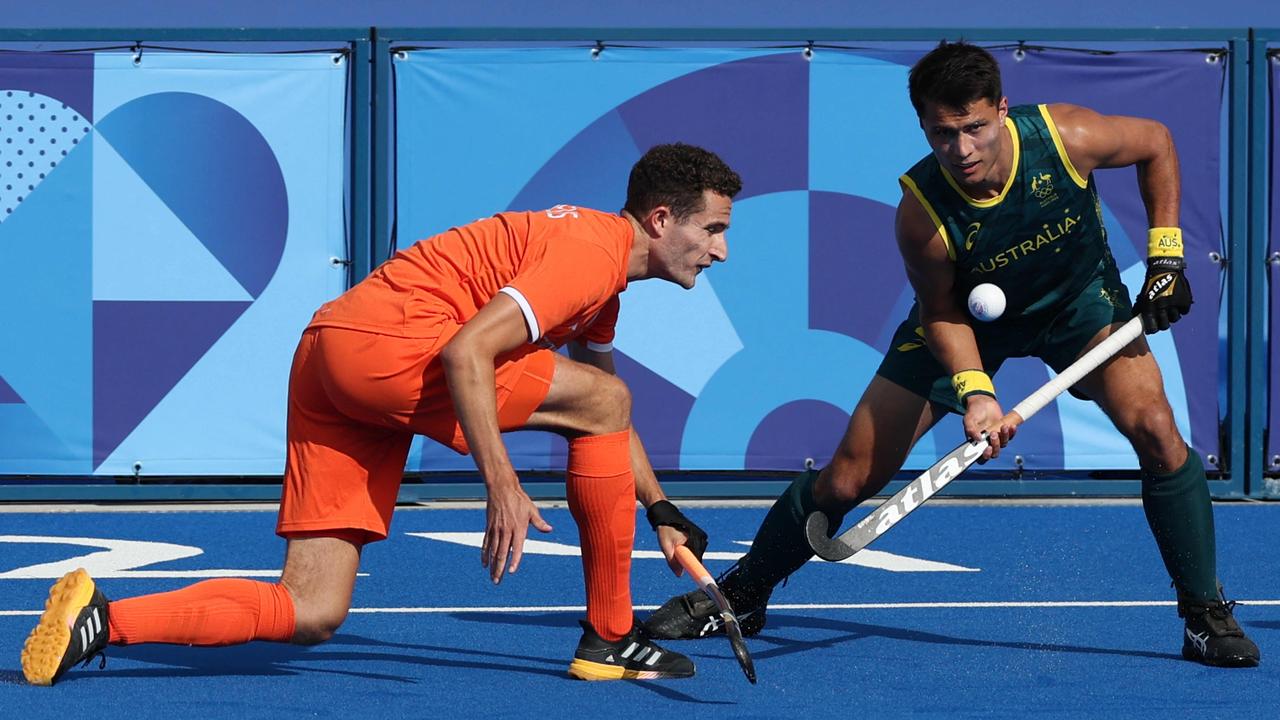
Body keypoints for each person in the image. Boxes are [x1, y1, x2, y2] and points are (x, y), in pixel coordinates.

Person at [22, 142, 742, 685]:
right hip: (392, 350)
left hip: (328, 359)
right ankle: (609, 638)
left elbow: (604, 411)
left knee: (313, 609)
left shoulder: (600, 280)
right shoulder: (589, 254)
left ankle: (102, 620)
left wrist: (660, 508)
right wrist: (502, 482)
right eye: (711, 229)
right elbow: (469, 354)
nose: (721, 250)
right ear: (660, 219)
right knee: (600, 398)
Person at [644, 42, 1259, 668]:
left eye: (975, 128)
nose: (962, 149)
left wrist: (1166, 257)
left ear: (1002, 109)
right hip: (965, 321)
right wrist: (977, 392)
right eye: (943, 134)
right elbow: (942, 312)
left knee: (1157, 431)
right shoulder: (922, 214)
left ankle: (1204, 615)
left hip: (1080, 307)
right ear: (924, 127)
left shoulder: (1066, 137)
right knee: (851, 476)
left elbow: (1156, 141)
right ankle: (744, 592)